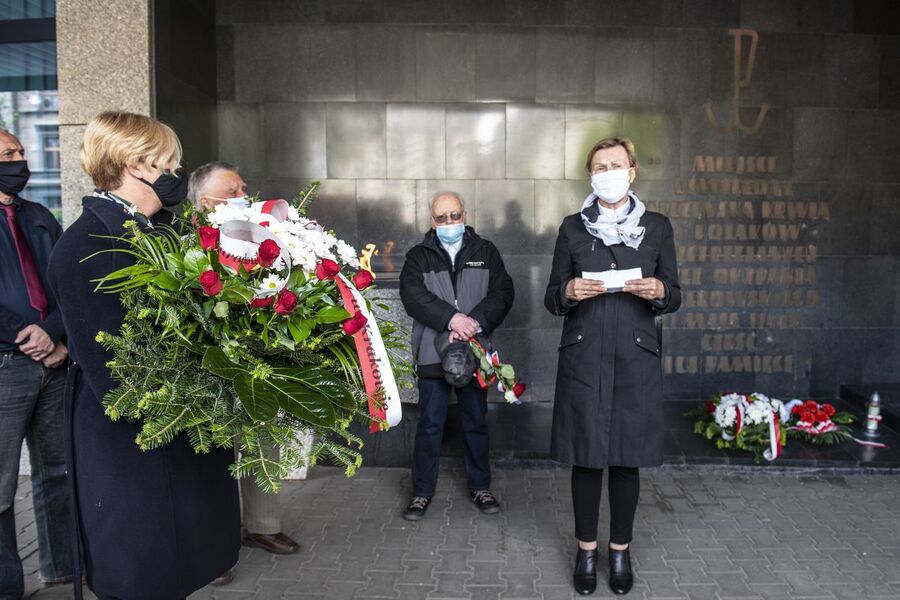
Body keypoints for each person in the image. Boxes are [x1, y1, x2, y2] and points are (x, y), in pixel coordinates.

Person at [45, 111, 240, 600]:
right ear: (135, 165)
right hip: (137, 445)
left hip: (180, 430)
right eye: (169, 164)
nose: (177, 173)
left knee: (181, 567)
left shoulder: (163, 232)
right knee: (144, 574)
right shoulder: (85, 245)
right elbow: (116, 377)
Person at [544, 137, 681, 596]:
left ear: (632, 172)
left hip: (635, 358)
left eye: (616, 164)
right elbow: (551, 296)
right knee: (587, 458)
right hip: (584, 356)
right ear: (590, 175)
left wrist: (659, 288)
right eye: (599, 166)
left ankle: (619, 551)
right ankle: (586, 550)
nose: (608, 171)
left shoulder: (658, 227)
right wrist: (568, 292)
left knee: (626, 460)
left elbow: (674, 295)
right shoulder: (572, 228)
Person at [187, 162, 300, 587]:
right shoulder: (187, 243)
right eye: (232, 190)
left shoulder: (261, 234)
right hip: (209, 368)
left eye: (243, 187)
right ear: (205, 202)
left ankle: (262, 526)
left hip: (258, 364)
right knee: (212, 459)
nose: (243, 194)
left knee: (262, 446)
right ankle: (212, 547)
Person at [399, 191, 514, 521]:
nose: (449, 222)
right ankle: (421, 492)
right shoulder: (418, 256)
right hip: (432, 352)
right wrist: (452, 319)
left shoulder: (485, 251)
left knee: (475, 422)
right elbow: (413, 296)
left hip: (474, 352)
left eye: (454, 215)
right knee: (430, 425)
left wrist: (474, 322)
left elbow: (503, 293)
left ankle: (481, 486)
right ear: (431, 221)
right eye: (441, 218)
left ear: (464, 214)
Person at [0, 129, 73, 597]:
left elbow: (68, 284)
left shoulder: (41, 216)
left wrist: (57, 333)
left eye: (21, 152)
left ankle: (63, 569)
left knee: (58, 472)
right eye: (9, 154)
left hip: (55, 364)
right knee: (1, 487)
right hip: (7, 366)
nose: (20, 161)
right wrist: (27, 335)